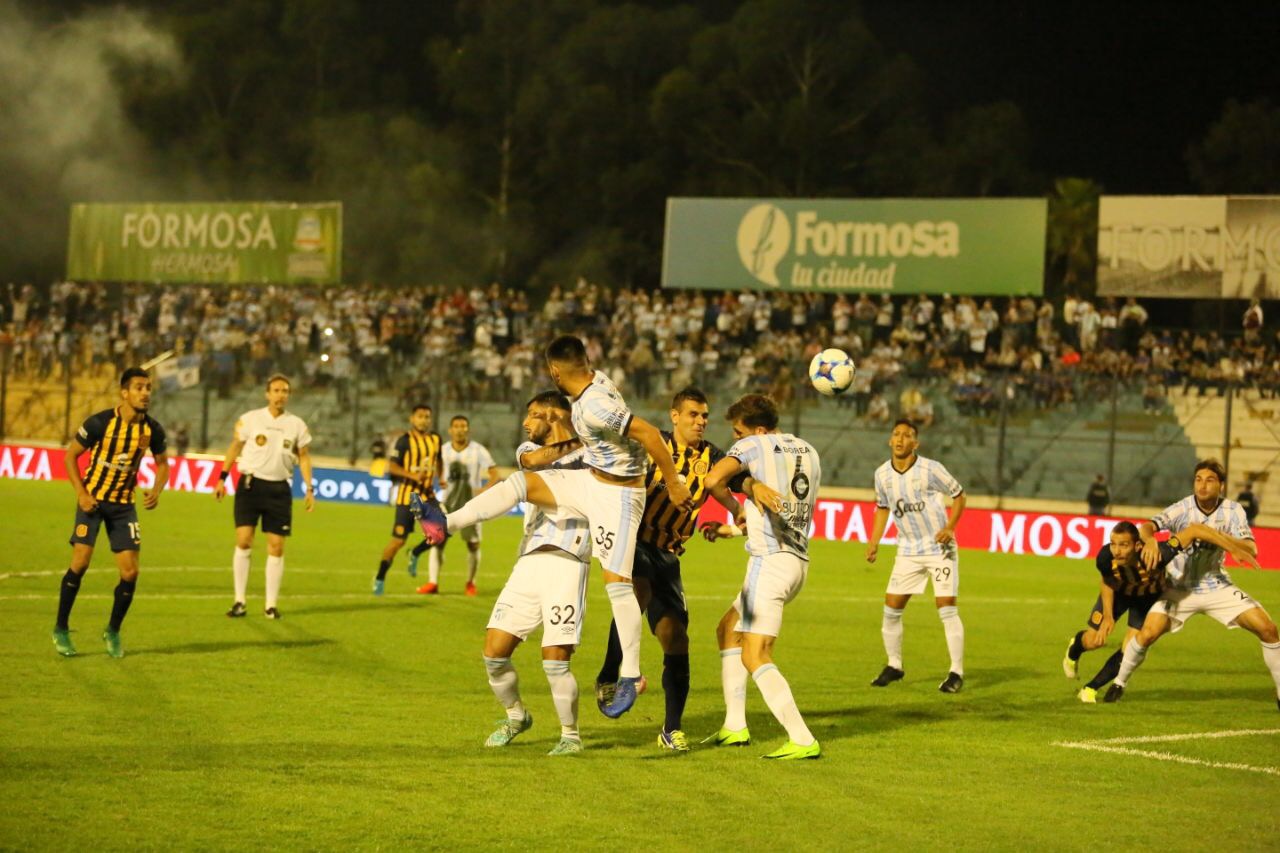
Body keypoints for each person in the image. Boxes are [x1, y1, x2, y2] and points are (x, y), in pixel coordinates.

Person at [414, 335, 692, 718]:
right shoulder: (595, 386)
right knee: (520, 484)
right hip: (593, 482)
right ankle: (447, 522)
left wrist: (674, 481)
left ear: (554, 371)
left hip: (619, 499)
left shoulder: (593, 405)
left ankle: (630, 674)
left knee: (617, 585)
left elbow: (646, 433)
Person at [593, 387, 750, 752]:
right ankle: (610, 675)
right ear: (675, 416)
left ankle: (671, 729)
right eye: (693, 414)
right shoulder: (651, 445)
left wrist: (750, 492)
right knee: (639, 590)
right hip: (635, 544)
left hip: (669, 556)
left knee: (677, 640)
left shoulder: (712, 456)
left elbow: (737, 479)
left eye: (705, 416)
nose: (701, 421)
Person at [700, 393, 822, 759]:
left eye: (738, 433)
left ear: (759, 430)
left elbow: (712, 481)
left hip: (768, 564)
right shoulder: (809, 452)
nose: (736, 441)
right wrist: (734, 527)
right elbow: (782, 512)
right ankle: (735, 726)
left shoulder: (755, 445)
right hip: (796, 561)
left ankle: (801, 738)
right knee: (728, 629)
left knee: (756, 653)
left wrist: (744, 492)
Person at [1107, 460, 1278, 708]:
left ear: (1221, 485)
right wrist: (1151, 540)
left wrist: (1220, 538)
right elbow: (1146, 527)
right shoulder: (1183, 508)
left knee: (1269, 629)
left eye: (1209, 480)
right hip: (1178, 587)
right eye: (1198, 479)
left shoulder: (1233, 511)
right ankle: (1119, 683)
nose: (1202, 485)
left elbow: (1251, 548)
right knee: (1147, 634)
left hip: (1216, 586)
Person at [482, 392, 591, 755]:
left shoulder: (596, 457)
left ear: (553, 414)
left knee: (555, 660)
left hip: (569, 560)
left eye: (532, 414)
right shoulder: (529, 449)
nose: (526, 422)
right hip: (528, 561)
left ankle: (570, 735)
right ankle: (516, 716)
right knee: (494, 653)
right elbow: (531, 460)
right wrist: (579, 438)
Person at [52, 367, 169, 658]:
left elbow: (163, 464)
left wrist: (156, 489)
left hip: (123, 506)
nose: (145, 393)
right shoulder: (100, 423)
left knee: (130, 572)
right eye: (139, 387)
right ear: (124, 392)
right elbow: (70, 456)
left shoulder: (152, 429)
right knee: (80, 562)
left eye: (149, 388)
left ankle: (113, 630)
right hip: (91, 502)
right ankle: (61, 628)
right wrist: (81, 493)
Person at [867, 419, 968, 693]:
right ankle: (894, 665)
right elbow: (882, 508)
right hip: (908, 550)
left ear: (916, 443)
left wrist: (950, 527)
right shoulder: (882, 475)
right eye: (896, 434)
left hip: (939, 547)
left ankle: (956, 672)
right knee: (891, 610)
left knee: (946, 607)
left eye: (907, 435)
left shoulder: (931, 469)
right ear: (890, 440)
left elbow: (959, 495)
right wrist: (874, 541)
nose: (900, 439)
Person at [214, 374, 314, 619]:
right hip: (250, 485)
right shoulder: (250, 419)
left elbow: (304, 456)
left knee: (277, 547)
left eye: (285, 391)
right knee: (244, 540)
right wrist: (222, 477)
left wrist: (310, 488)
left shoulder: (297, 424)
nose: (281, 395)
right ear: (267, 394)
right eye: (277, 390)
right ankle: (239, 601)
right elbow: (235, 447)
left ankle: (270, 604)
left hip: (279, 489)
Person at [1062, 521, 1180, 702]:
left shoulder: (1159, 553)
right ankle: (1074, 649)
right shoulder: (1105, 557)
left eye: (1123, 545)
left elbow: (1194, 532)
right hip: (1117, 594)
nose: (1116, 550)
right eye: (1113, 543)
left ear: (1137, 545)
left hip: (1146, 600)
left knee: (1130, 649)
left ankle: (1091, 688)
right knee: (1094, 641)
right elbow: (1107, 582)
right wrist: (1108, 617)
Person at [422, 415, 498, 596]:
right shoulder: (443, 450)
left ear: (468, 430)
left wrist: (484, 490)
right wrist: (436, 481)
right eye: (456, 426)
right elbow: (430, 468)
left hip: (470, 506)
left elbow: (494, 473)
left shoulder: (478, 450)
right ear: (450, 430)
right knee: (437, 542)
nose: (459, 429)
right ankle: (433, 583)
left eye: (463, 426)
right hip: (446, 504)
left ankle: (470, 583)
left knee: (473, 545)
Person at [371, 405, 443, 596]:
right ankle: (380, 576)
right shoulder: (404, 441)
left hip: (427, 495)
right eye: (420, 416)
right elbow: (392, 467)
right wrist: (411, 475)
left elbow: (440, 459)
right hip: (407, 497)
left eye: (427, 416)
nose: (424, 420)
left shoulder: (435, 439)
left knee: (438, 533)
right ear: (412, 419)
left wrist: (441, 477)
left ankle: (415, 553)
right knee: (397, 541)